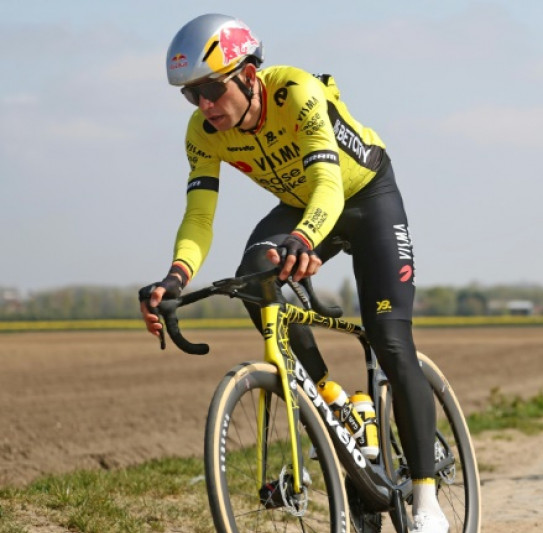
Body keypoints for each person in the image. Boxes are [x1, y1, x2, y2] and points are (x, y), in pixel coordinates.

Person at [139, 14, 448, 532]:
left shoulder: (295, 91)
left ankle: (425, 498)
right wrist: (174, 278)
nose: (205, 106)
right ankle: (329, 396)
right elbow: (199, 216)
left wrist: (305, 239)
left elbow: (327, 183)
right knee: (254, 274)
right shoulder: (204, 133)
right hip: (300, 205)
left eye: (211, 89)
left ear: (248, 74)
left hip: (365, 198)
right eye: (192, 96)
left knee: (390, 342)